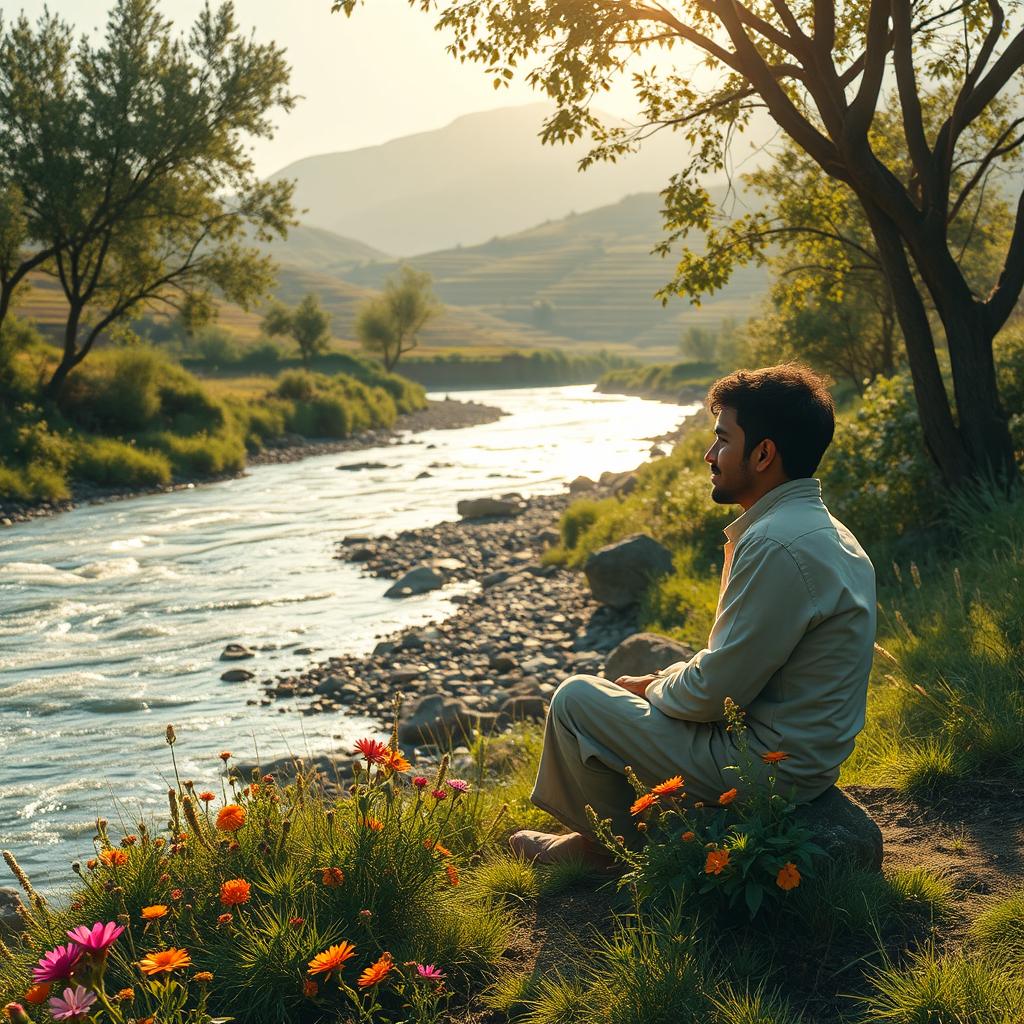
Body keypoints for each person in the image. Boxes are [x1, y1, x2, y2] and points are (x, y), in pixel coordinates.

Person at [509, 364, 876, 865]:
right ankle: (620, 834)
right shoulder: (824, 530)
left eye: (722, 439)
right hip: (800, 754)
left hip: (768, 765)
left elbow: (713, 693)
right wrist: (666, 678)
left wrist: (653, 687)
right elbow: (737, 670)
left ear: (764, 454)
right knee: (638, 691)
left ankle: (609, 849)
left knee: (576, 700)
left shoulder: (776, 543)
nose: (709, 454)